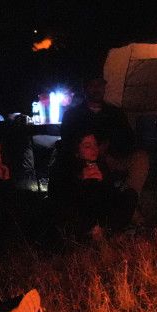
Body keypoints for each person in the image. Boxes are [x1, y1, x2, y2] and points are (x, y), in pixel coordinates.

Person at [60, 76, 149, 215]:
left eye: (99, 85)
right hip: (86, 161)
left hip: (114, 158)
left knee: (141, 158)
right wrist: (93, 150)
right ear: (85, 89)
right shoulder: (73, 115)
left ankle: (129, 200)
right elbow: (68, 142)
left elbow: (129, 139)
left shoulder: (115, 113)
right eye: (92, 85)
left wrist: (110, 147)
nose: (97, 89)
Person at [48, 133, 137, 239]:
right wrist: (81, 180)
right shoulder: (64, 168)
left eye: (95, 144)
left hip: (101, 218)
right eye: (87, 146)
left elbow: (110, 196)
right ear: (76, 151)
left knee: (130, 195)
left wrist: (103, 182)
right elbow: (62, 199)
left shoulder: (100, 165)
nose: (94, 149)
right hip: (78, 220)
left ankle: (107, 231)